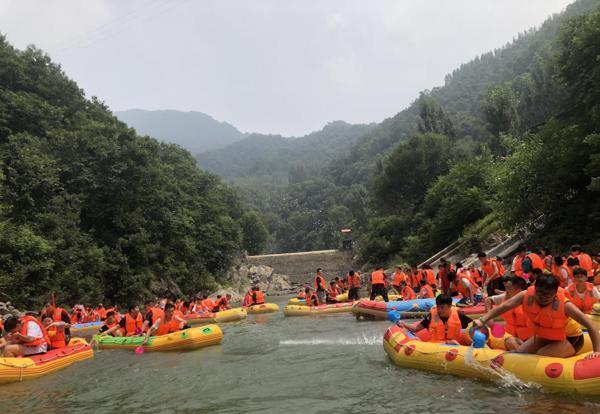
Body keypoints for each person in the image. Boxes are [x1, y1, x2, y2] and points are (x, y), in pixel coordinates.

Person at [473, 274, 600, 358]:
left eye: (548, 294)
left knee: (539, 355)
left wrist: (597, 352)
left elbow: (591, 325)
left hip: (570, 339)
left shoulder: (565, 305)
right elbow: (504, 307)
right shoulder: (525, 295)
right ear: (534, 289)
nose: (543, 297)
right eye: (539, 293)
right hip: (544, 335)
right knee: (518, 354)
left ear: (555, 293)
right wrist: (483, 320)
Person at [396, 295, 473, 344]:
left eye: (442, 307)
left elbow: (473, 327)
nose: (439, 310)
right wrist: (404, 324)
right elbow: (416, 329)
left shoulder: (458, 315)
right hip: (436, 347)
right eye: (438, 307)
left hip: (455, 346)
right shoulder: (432, 316)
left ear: (449, 306)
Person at [484, 276, 531, 350]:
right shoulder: (506, 296)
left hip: (528, 338)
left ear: (519, 290)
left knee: (512, 343)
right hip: (508, 334)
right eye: (506, 288)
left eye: (509, 288)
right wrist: (490, 322)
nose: (506, 291)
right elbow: (488, 300)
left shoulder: (530, 300)